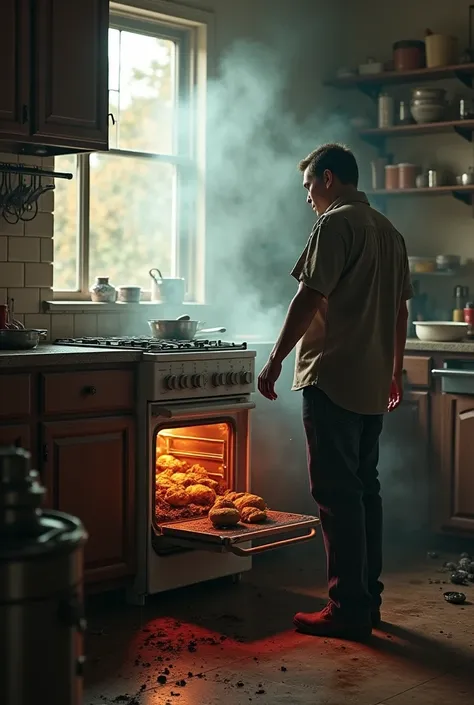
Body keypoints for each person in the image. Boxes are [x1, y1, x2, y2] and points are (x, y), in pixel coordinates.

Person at [258, 143, 412, 641]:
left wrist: (277, 358)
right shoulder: (389, 231)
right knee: (365, 490)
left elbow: (308, 297)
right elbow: (400, 312)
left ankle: (346, 607)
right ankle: (367, 600)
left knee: (335, 493)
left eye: (308, 187)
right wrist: (395, 370)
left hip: (332, 377)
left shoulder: (335, 224)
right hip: (371, 380)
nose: (308, 199)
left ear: (327, 178)